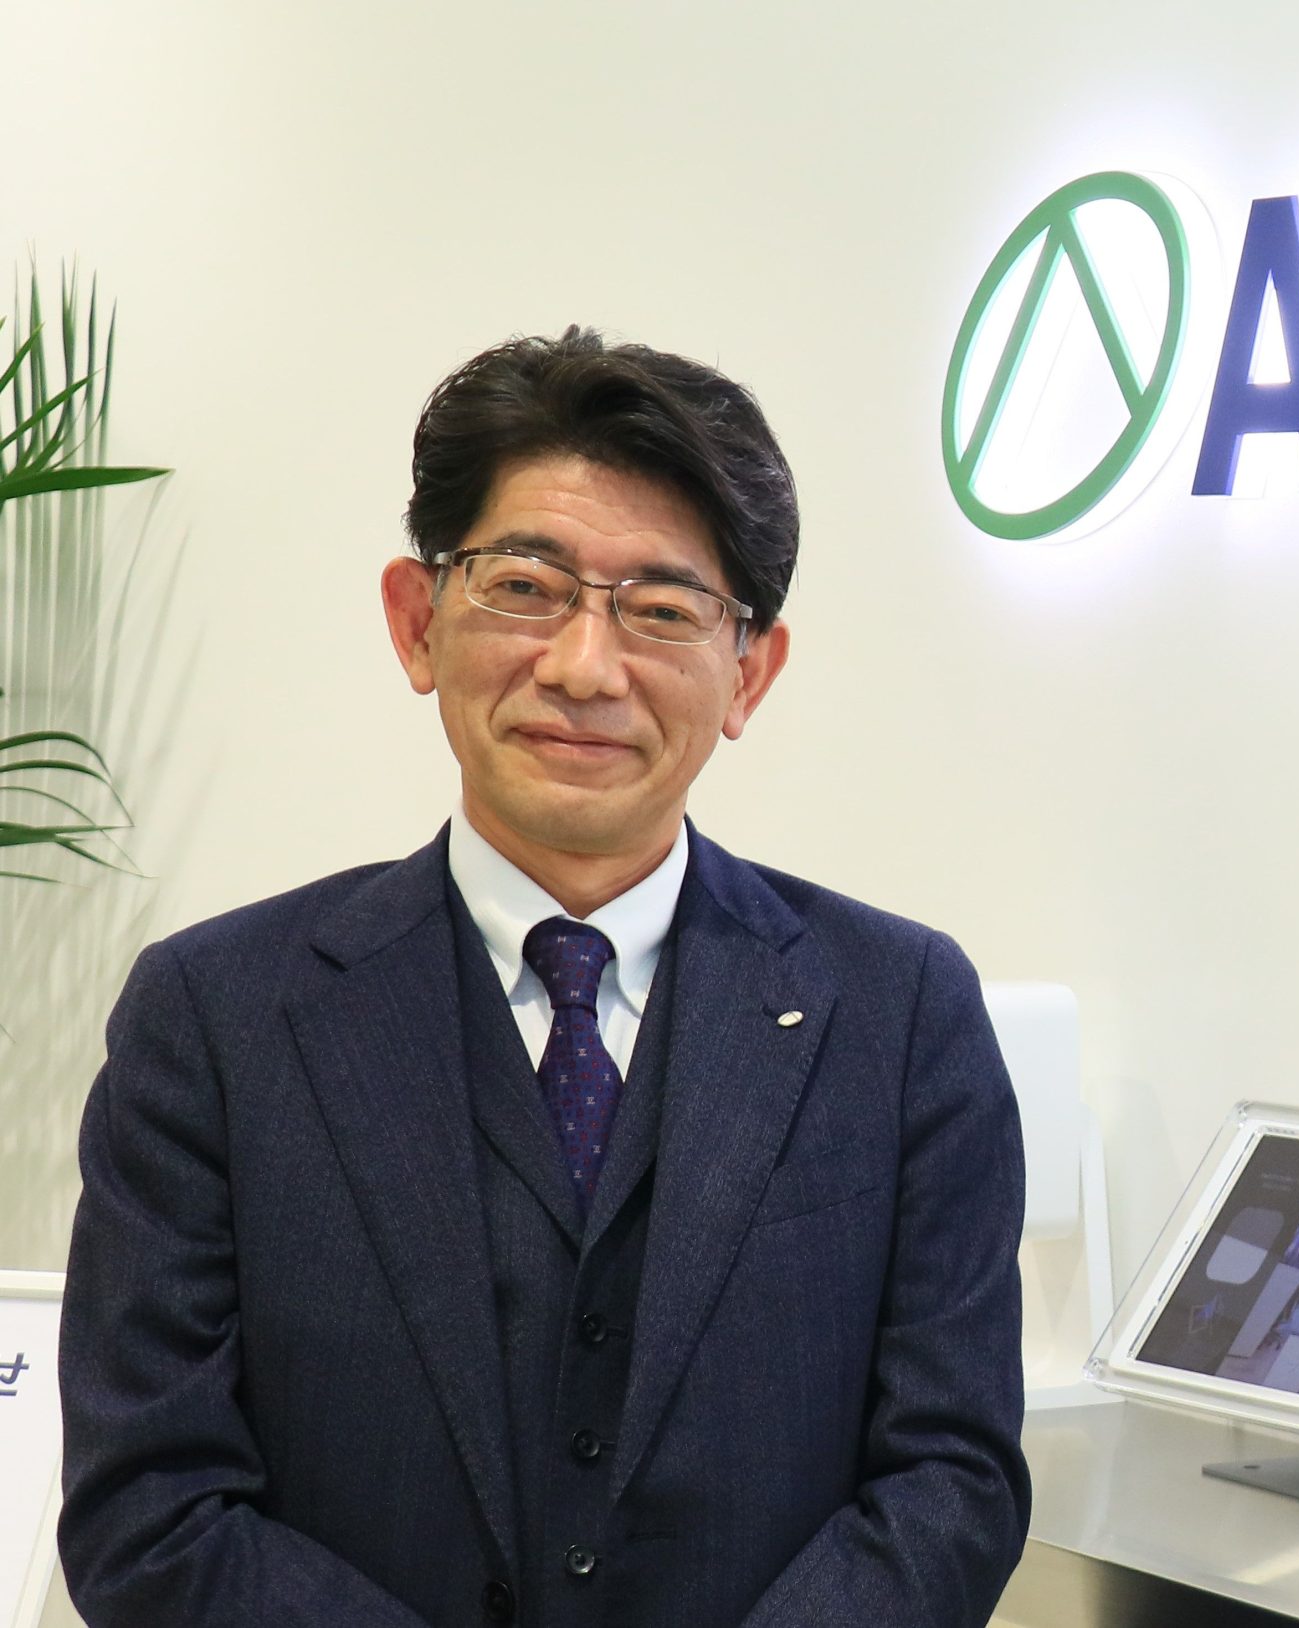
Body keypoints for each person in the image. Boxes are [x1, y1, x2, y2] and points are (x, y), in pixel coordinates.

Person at [54, 329, 1031, 1627]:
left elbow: (952, 1478)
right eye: (526, 587)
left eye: (662, 610)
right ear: (417, 622)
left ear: (749, 673)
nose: (583, 667)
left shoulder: (901, 1013)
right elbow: (149, 1506)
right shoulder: (215, 1018)